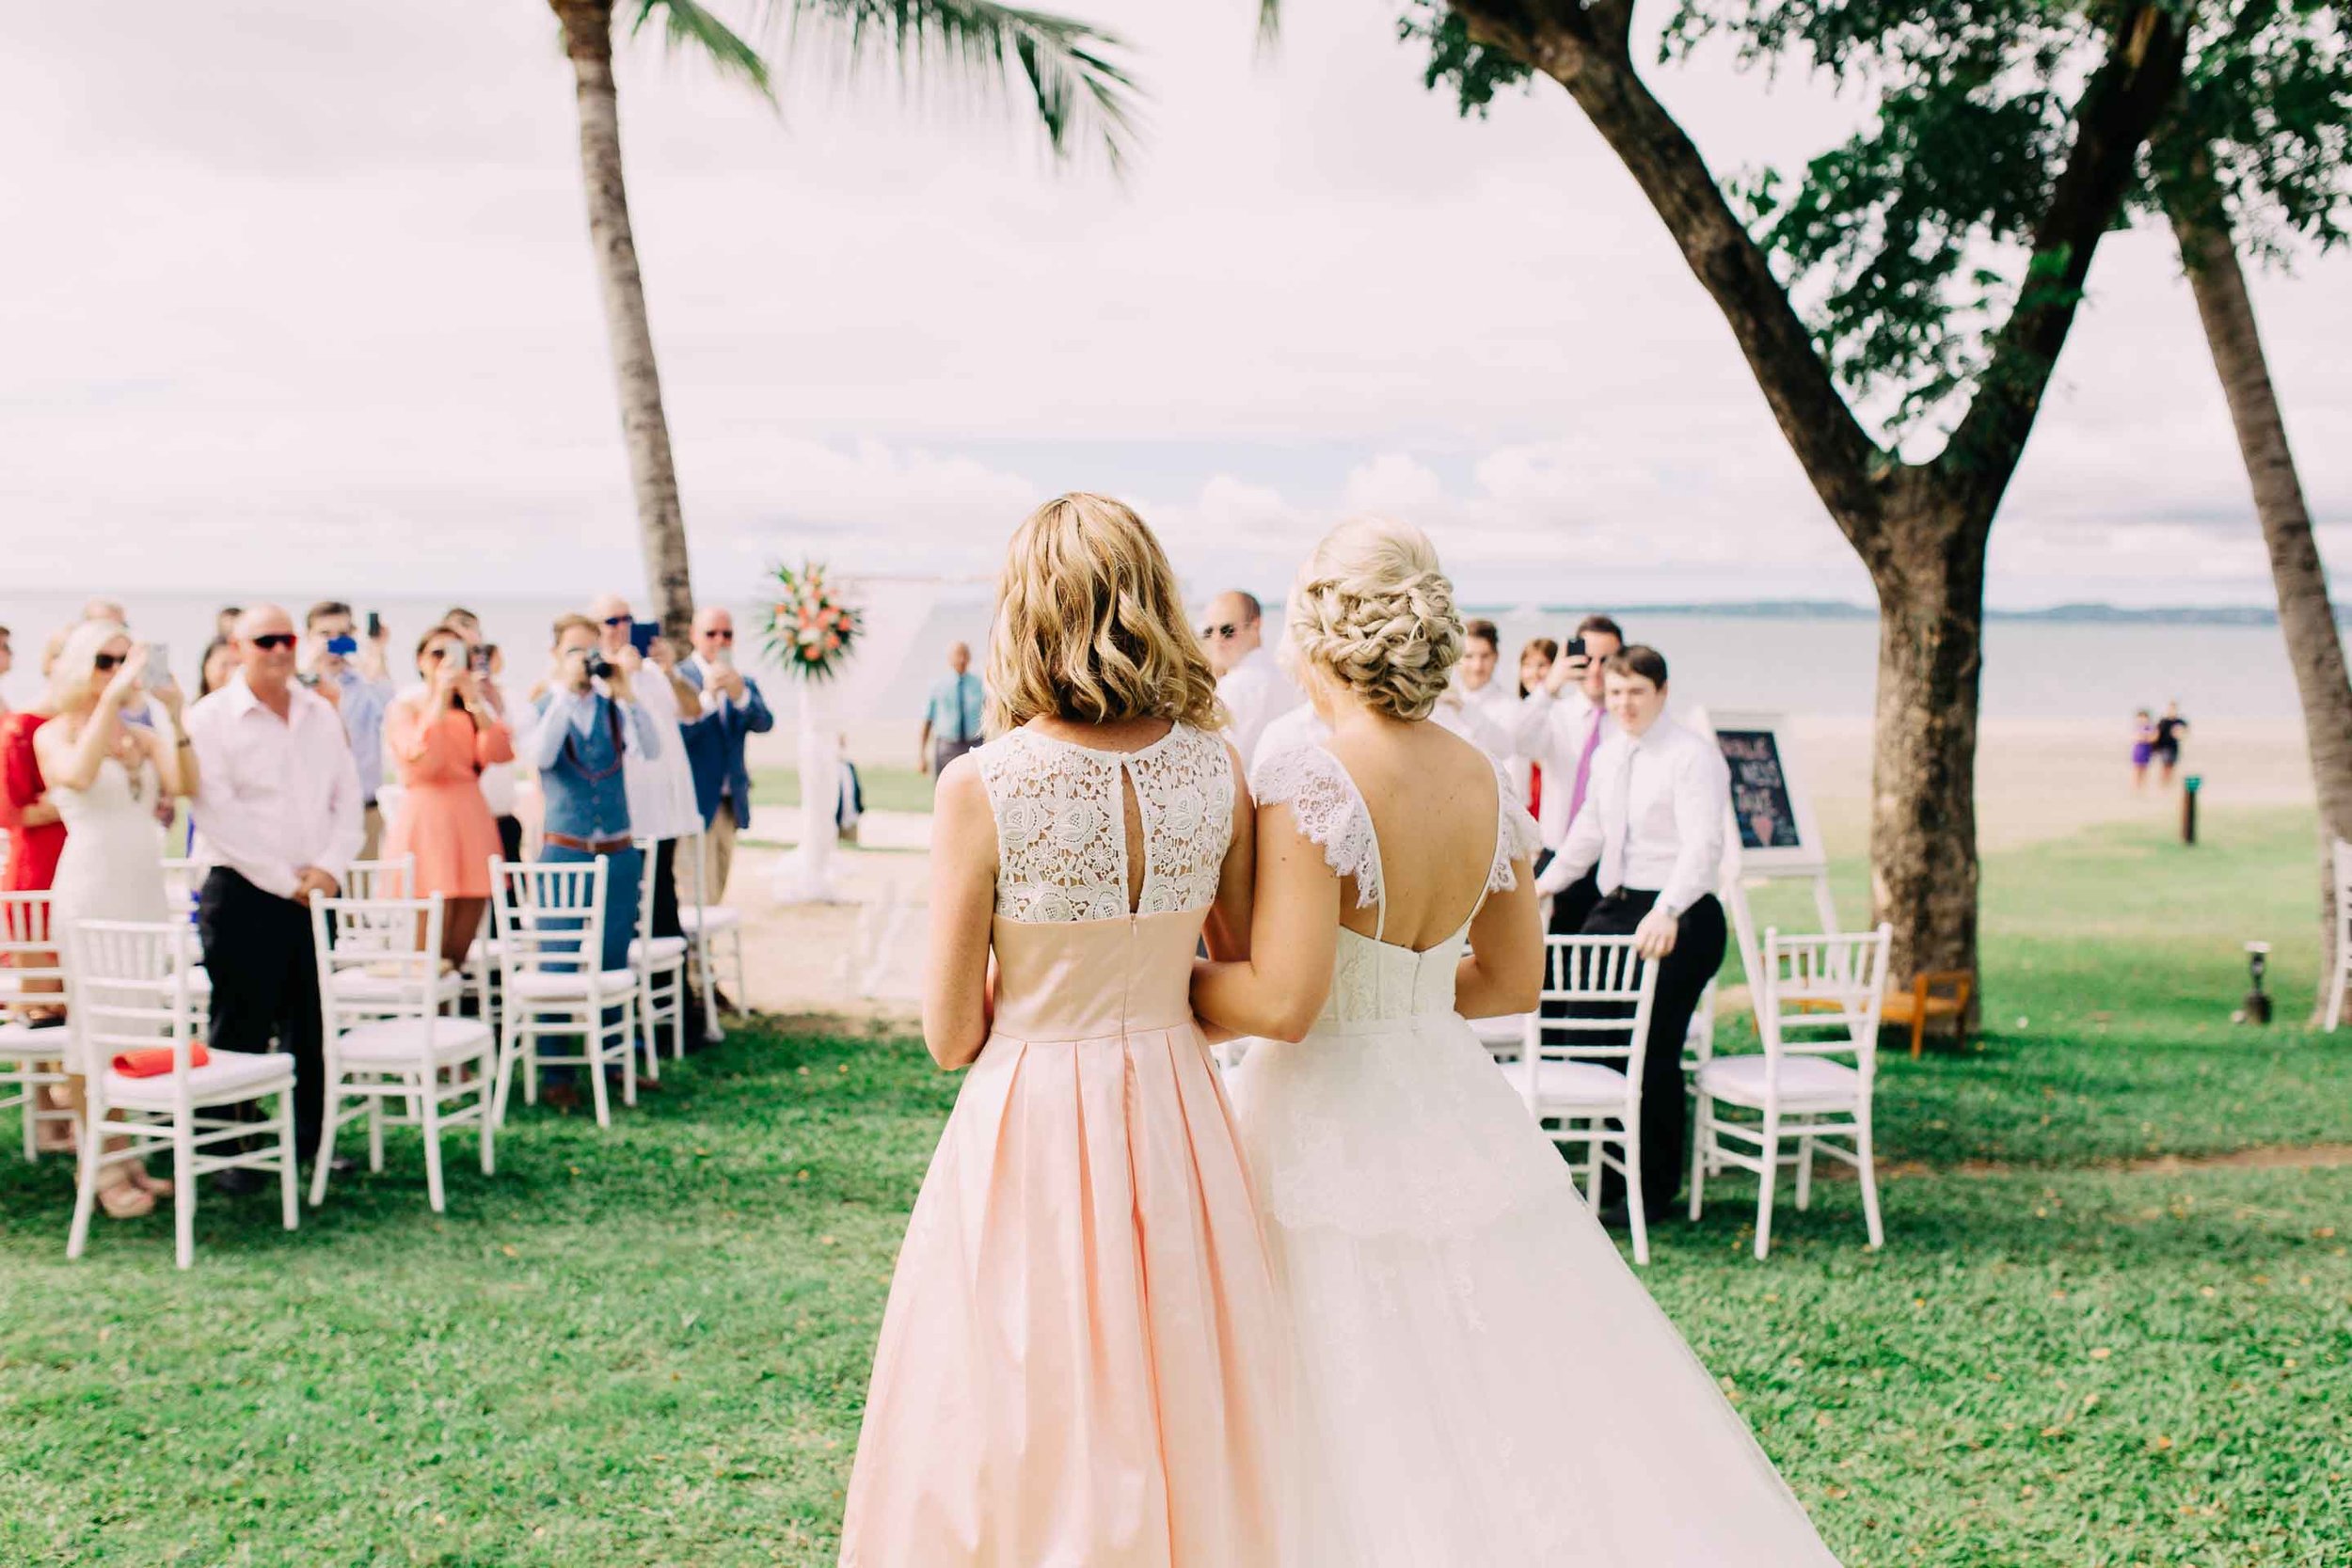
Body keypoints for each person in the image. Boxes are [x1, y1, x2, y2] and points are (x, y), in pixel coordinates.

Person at [1192, 519, 1839, 1567]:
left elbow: (1285, 998)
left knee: (1339, 1382)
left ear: (1321, 634)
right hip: (1446, 1093)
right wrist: (1396, 987)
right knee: (1498, 1377)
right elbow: (1509, 980)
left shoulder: (1307, 775)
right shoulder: (1483, 773)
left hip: (1323, 1109)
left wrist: (1151, 985)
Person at [838, 495, 1284, 1567]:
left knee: (1022, 1398)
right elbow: (1229, 949)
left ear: (1026, 614)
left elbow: (950, 1032)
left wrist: (1050, 991)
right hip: (1177, 1108)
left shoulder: (981, 784)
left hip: (1032, 1117)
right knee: (1180, 1386)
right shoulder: (1214, 766)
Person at [1536, 644, 1731, 1218]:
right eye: (1616, 692)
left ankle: (1652, 1189)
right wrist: (1544, 886)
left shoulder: (1693, 757)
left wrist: (1668, 910)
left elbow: (1704, 846)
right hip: (1619, 909)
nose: (1624, 703)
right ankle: (1606, 1174)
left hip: (1682, 913)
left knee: (1650, 1047)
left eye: (1636, 692)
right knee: (1584, 1036)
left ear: (1663, 693)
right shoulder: (1610, 754)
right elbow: (1588, 833)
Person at [183, 606, 364, 1188]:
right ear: (238, 646)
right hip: (243, 892)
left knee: (311, 1025)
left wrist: (330, 870)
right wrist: (289, 882)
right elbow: (218, 814)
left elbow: (348, 799)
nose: (281, 650)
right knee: (238, 1025)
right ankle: (228, 1150)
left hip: (316, 891)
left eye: (287, 639)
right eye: (266, 640)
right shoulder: (210, 718)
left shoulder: (319, 711)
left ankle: (310, 1143)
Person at [38, 624, 200, 1217]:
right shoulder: (56, 734)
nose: (117, 670)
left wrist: (175, 715)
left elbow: (185, 786)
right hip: (90, 890)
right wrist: (111, 700)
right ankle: (97, 1163)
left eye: (125, 660)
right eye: (105, 661)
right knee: (93, 1028)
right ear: (82, 668)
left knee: (132, 1028)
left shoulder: (140, 735)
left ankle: (127, 1153)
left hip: (142, 891)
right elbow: (75, 777)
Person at [520, 612, 663, 1111]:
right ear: (556, 656)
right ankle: (557, 1072)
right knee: (558, 960)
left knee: (612, 960)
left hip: (618, 850)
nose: (585, 661)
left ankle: (619, 1060)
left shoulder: (615, 707)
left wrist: (627, 692)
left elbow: (652, 748)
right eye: (573, 652)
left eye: (590, 650)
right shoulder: (542, 705)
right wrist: (564, 692)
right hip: (564, 848)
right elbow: (538, 757)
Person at [587, 595, 699, 1040]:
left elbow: (693, 709)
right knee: (630, 920)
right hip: (628, 819)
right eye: (611, 621)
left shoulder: (653, 675)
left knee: (665, 912)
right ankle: (637, 1019)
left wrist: (669, 669)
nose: (620, 627)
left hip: (665, 816)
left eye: (626, 620)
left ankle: (676, 1016)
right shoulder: (598, 681)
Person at [382, 626, 515, 967]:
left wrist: (475, 701)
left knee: (458, 946)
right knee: (426, 953)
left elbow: (499, 752)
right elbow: (416, 755)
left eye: (454, 653)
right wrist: (438, 699)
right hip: (426, 820)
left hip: (469, 817)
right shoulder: (405, 707)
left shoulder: (472, 708)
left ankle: (454, 1013)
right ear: (420, 661)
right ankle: (428, 1016)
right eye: (436, 654)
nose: (446, 662)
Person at [1513, 612, 1624, 937]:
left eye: (1607, 660)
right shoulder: (1556, 714)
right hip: (1555, 853)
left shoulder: (1628, 723)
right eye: (1587, 659)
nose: (1595, 669)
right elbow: (1515, 739)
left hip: (1608, 865)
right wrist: (1550, 685)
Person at [679, 605, 772, 904]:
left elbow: (764, 723)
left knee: (717, 889)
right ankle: (696, 951)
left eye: (727, 634)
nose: (720, 640)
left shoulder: (742, 682)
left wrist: (739, 695)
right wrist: (706, 699)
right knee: (696, 893)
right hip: (693, 801)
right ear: (694, 635)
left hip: (730, 803)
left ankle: (703, 948)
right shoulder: (680, 678)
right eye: (711, 633)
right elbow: (679, 735)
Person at [302, 602, 395, 861]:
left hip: (363, 811)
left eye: (342, 635)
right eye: (325, 635)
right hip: (312, 812)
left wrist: (377, 651)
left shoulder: (362, 684)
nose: (334, 643)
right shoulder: (297, 687)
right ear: (309, 637)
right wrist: (309, 667)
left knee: (359, 897)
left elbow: (389, 708)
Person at [1199, 588, 1303, 764]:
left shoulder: (1233, 687)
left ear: (1255, 625)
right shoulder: (1288, 676)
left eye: (1227, 630)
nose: (1217, 639)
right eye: (1209, 631)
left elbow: (1216, 760)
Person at [915, 641, 984, 780]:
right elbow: (927, 721)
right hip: (947, 747)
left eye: (965, 655)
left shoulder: (980, 685)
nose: (962, 659)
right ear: (949, 658)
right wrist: (922, 755)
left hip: (974, 747)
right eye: (958, 655)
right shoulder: (938, 686)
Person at [1516, 634, 1559, 816]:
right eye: (1527, 665)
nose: (1534, 673)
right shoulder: (1513, 711)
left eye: (1542, 665)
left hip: (1550, 801)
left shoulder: (1564, 713)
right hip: (1523, 802)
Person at [2153, 700, 2190, 786]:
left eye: (2174, 709)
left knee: (2172, 766)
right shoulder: (2163, 721)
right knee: (2165, 766)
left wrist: (2180, 733)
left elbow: (2185, 732)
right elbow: (2157, 735)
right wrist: (2155, 748)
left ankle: (2169, 784)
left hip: (2174, 747)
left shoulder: (2180, 721)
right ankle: (2163, 784)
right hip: (2164, 747)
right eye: (2171, 708)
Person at [2130, 707, 2157, 790]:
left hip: (2146, 749)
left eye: (2144, 717)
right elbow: (2135, 738)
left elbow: (2154, 738)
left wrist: (2145, 738)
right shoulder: (2137, 727)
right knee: (2137, 769)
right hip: (2138, 749)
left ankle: (2142, 787)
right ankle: (2136, 786)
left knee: (2144, 769)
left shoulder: (2151, 727)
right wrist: (2143, 738)